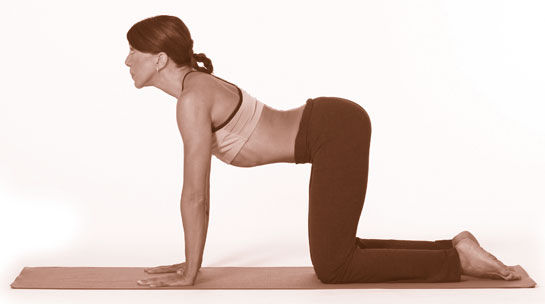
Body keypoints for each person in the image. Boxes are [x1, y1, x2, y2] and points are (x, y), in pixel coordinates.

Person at [125, 15, 521, 287]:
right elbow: (197, 194)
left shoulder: (192, 98)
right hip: (331, 126)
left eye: (133, 52)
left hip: (332, 130)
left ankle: (456, 261)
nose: (126, 60)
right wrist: (190, 263)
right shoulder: (197, 88)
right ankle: (454, 250)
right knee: (340, 253)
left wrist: (190, 271)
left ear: (159, 59)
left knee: (334, 266)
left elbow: (196, 195)